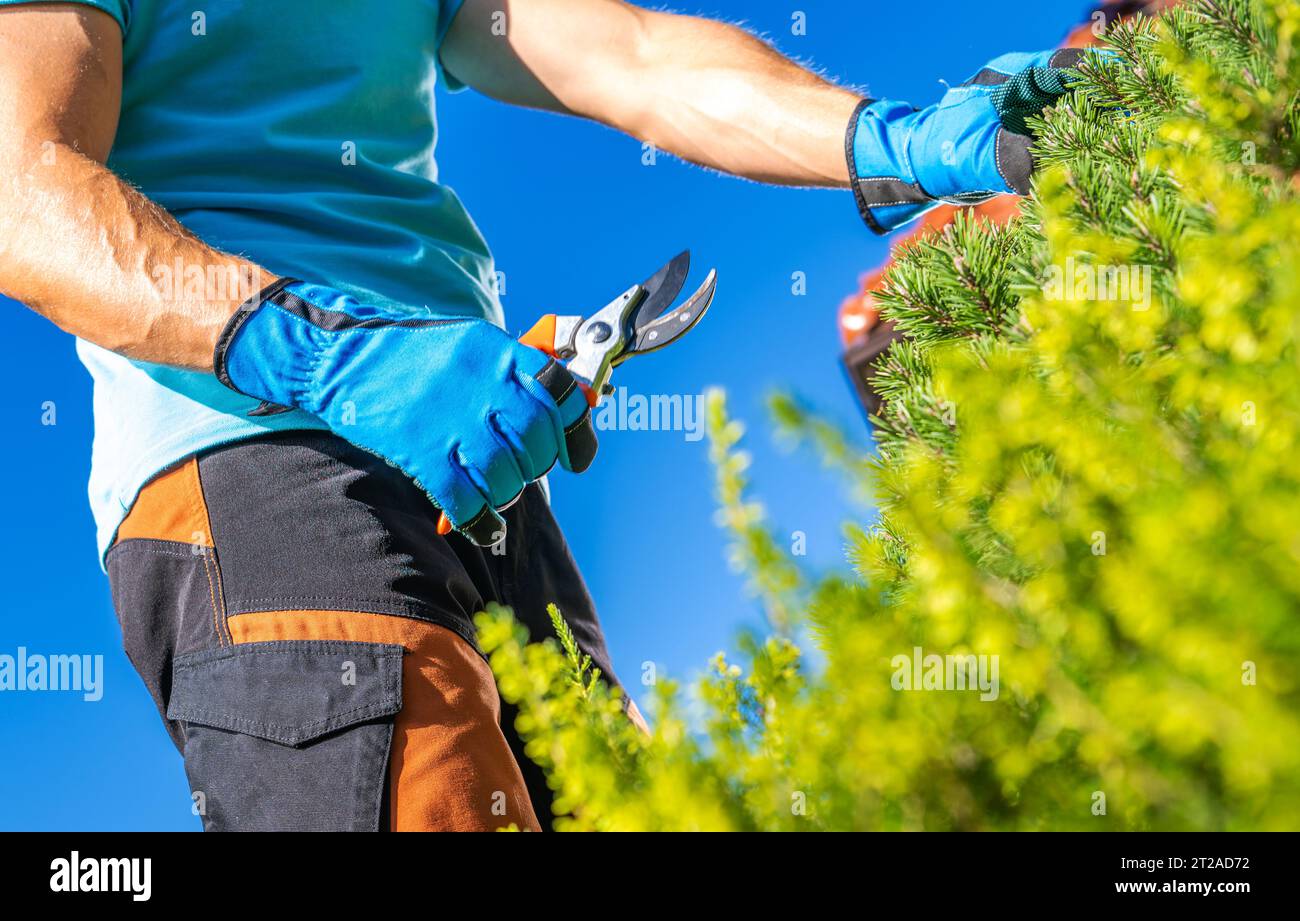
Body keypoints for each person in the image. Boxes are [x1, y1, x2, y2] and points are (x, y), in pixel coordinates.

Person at [0, 0, 1093, 831]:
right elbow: (21, 193)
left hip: (470, 461)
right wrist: (332, 356)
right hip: (252, 461)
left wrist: (886, 138)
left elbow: (634, 59)